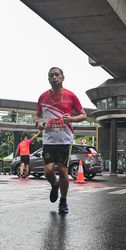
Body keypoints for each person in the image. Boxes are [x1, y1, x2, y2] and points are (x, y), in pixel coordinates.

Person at [35, 67, 86, 214]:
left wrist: (72, 118)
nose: (54, 77)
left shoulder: (71, 95)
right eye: (51, 75)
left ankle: (63, 201)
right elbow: (37, 116)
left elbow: (83, 115)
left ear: (63, 77)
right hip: (49, 140)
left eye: (57, 75)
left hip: (65, 139)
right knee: (48, 171)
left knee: (63, 171)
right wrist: (39, 123)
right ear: (48, 79)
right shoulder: (43, 97)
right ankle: (54, 184)